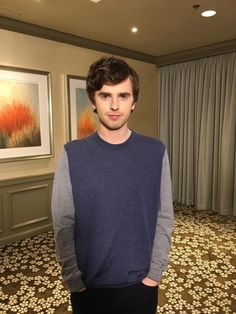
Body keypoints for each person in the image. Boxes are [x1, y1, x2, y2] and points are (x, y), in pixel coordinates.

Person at [51, 56, 174, 314]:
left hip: (141, 285)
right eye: (106, 96)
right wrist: (74, 279)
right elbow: (63, 223)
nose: (115, 105)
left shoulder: (155, 151)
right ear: (94, 101)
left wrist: (154, 274)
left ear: (134, 102)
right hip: (89, 288)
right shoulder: (72, 154)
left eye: (124, 96)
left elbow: (164, 216)